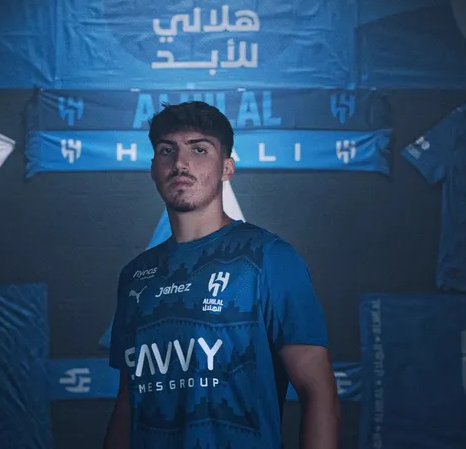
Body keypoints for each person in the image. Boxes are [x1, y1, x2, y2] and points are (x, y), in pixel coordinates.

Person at [103, 101, 341, 449]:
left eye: (199, 149)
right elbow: (129, 403)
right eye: (167, 150)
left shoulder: (269, 257)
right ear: (153, 168)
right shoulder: (135, 276)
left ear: (227, 167)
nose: (180, 163)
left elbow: (319, 392)